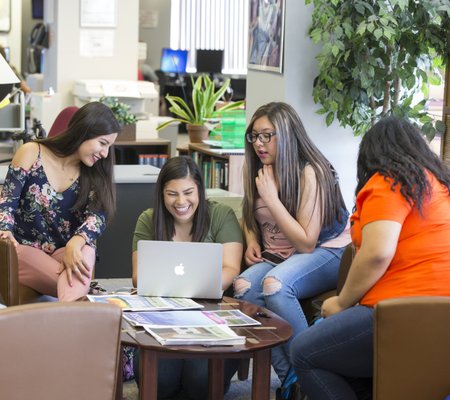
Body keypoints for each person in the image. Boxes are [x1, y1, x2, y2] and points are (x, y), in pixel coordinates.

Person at [290, 116, 450, 399]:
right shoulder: (439, 185)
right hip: (440, 317)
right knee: (348, 370)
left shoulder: (389, 181)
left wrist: (341, 302)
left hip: (400, 312)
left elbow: (377, 253)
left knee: (303, 352)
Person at [232, 102, 350, 382]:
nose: (259, 144)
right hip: (281, 255)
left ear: (286, 134)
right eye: (254, 136)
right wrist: (250, 237)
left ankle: (312, 373)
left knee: (275, 286)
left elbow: (307, 242)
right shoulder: (256, 168)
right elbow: (248, 212)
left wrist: (272, 198)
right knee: (244, 288)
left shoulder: (312, 171)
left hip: (328, 249)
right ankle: (291, 380)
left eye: (266, 136)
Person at [132, 156, 243, 399]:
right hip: (164, 316)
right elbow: (139, 277)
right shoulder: (148, 219)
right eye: (172, 194)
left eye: (188, 192)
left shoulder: (221, 215)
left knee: (200, 384)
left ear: (200, 191)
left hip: (212, 314)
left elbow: (231, 268)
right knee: (158, 382)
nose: (181, 202)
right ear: (161, 194)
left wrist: (186, 290)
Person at [0, 102, 119, 302]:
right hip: (25, 250)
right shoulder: (31, 152)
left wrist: (76, 242)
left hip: (67, 251)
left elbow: (97, 216)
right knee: (15, 253)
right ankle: (85, 297)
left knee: (86, 247)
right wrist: (5, 229)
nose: (105, 154)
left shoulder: (94, 172)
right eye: (102, 143)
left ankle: (79, 302)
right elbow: (7, 201)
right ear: (83, 131)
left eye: (109, 146)